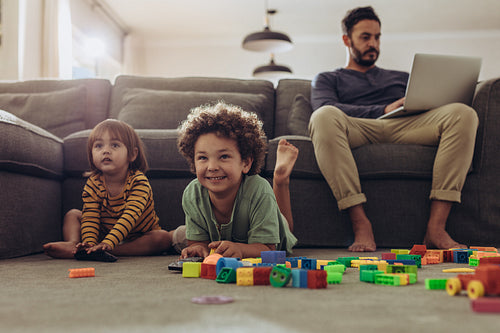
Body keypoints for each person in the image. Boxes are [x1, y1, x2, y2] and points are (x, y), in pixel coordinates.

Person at [309, 6, 478, 252]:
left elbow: (426, 105)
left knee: (464, 114)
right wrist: (383, 109)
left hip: (406, 125)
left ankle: (436, 228)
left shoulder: (401, 77)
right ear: (347, 40)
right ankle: (360, 223)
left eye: (377, 37)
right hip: (359, 128)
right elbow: (325, 106)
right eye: (365, 37)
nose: (373, 43)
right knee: (323, 116)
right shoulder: (328, 78)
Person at [43, 119, 183, 259]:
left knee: (162, 238)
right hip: (103, 233)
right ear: (91, 155)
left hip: (136, 236)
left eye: (115, 145)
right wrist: (89, 243)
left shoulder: (138, 182)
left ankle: (113, 251)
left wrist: (109, 243)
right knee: (73, 215)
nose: (106, 151)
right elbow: (90, 217)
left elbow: (130, 216)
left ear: (132, 154)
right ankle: (75, 245)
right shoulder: (93, 183)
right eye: (98, 146)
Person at [177, 102, 298, 259]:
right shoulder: (193, 194)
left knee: (283, 223)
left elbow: (268, 249)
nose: (212, 167)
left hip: (272, 227)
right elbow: (198, 243)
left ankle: (280, 179)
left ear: (246, 163)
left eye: (224, 156)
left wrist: (241, 250)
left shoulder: (259, 190)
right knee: (179, 235)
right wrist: (199, 249)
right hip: (227, 237)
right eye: (202, 158)